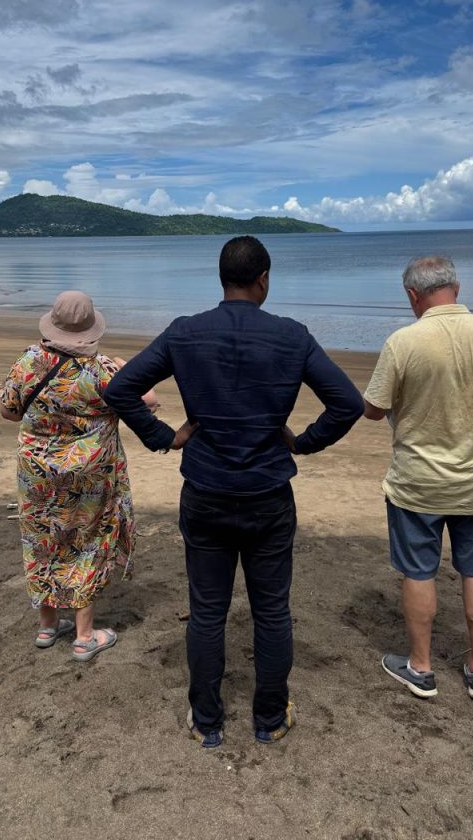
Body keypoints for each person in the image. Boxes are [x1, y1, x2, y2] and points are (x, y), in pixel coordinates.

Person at [104, 236, 364, 747]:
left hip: (205, 490)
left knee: (206, 610)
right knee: (271, 610)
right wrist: (303, 442)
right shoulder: (292, 336)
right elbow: (347, 403)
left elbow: (119, 390)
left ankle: (207, 722)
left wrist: (167, 437)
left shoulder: (186, 332)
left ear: (222, 279)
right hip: (268, 492)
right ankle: (268, 719)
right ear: (264, 279)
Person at [363, 256, 473, 700]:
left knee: (419, 573)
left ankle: (421, 667)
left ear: (412, 296)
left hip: (418, 482)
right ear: (456, 287)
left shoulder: (404, 342)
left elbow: (373, 408)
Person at [0, 291, 158, 662]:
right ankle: (85, 636)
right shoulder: (102, 370)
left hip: (37, 474)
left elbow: (8, 411)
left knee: (43, 540)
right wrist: (123, 366)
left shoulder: (31, 360)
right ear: (90, 329)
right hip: (90, 474)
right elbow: (146, 400)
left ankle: (48, 626)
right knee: (87, 541)